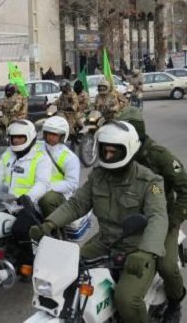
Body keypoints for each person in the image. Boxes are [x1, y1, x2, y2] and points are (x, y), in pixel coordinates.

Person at [30, 121, 168, 323]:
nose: (108, 156)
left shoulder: (150, 182)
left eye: (114, 151)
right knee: (67, 274)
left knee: (126, 300)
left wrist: (146, 251)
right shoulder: (98, 176)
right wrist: (49, 224)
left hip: (136, 249)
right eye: (105, 151)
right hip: (104, 242)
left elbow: (158, 217)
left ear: (128, 150)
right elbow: (77, 204)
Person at [118, 107, 187, 322]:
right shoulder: (117, 153)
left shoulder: (158, 156)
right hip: (126, 219)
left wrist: (173, 220)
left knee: (167, 266)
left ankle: (174, 302)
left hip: (161, 219)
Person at [0, 120, 51, 265]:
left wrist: (28, 197)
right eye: (13, 137)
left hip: (30, 206)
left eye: (20, 137)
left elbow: (43, 183)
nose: (15, 140)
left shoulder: (41, 158)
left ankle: (27, 264)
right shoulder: (8, 155)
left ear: (30, 137)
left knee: (20, 229)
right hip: (8, 202)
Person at [36, 116, 80, 217]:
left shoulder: (70, 157)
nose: (50, 137)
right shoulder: (36, 147)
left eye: (54, 134)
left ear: (62, 136)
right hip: (35, 187)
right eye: (48, 133)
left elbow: (72, 184)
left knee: (46, 200)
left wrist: (48, 187)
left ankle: (55, 230)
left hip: (58, 194)